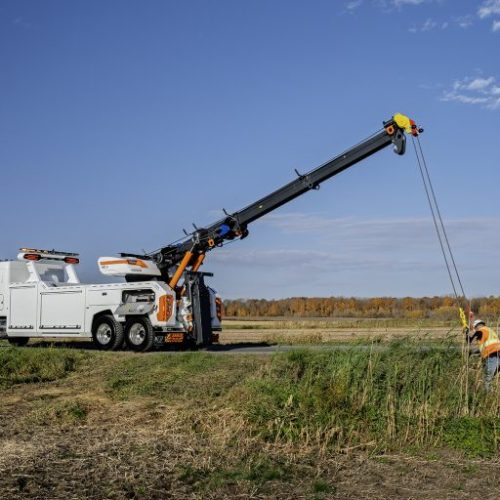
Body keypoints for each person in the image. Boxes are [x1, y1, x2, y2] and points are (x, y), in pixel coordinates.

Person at [466, 319, 500, 390]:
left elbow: (469, 340)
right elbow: (485, 347)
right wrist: (472, 352)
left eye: (475, 328)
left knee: (487, 380)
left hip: (492, 357)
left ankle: (488, 398)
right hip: (497, 356)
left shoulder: (480, 331)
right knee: (490, 377)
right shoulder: (489, 331)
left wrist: (466, 332)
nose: (475, 330)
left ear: (477, 326)